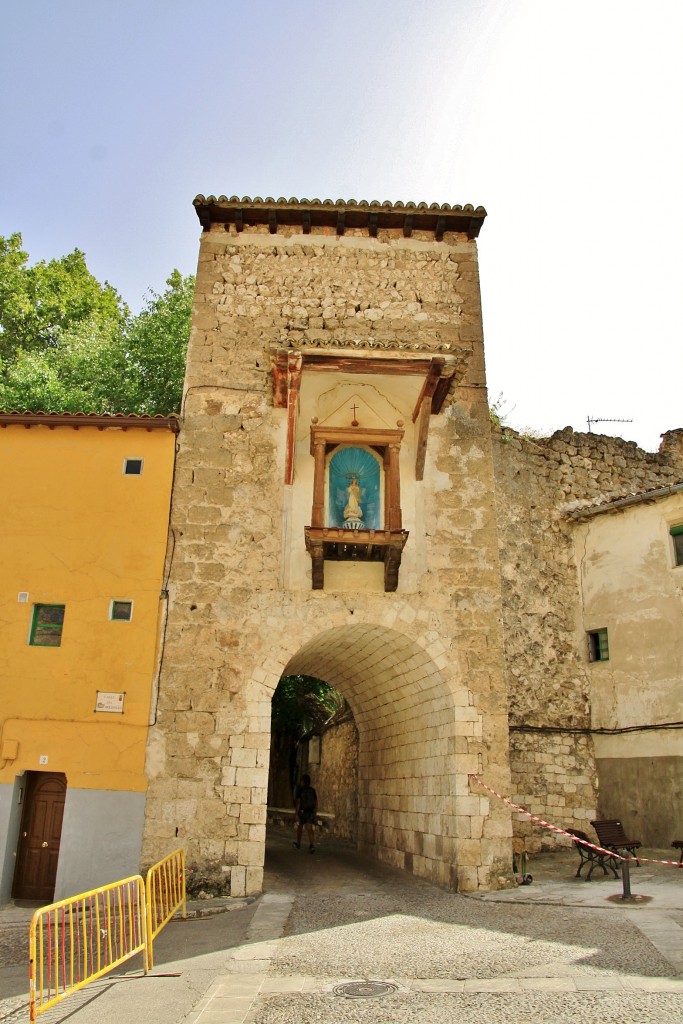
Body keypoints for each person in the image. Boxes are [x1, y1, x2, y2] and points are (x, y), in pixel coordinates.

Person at [293, 774, 318, 853]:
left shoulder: (300, 790)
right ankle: (311, 845)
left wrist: (296, 813)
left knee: (300, 827)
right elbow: (316, 802)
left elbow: (298, 802)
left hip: (302, 811)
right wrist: (315, 812)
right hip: (310, 811)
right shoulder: (312, 790)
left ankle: (298, 843)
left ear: (303, 782)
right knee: (310, 829)